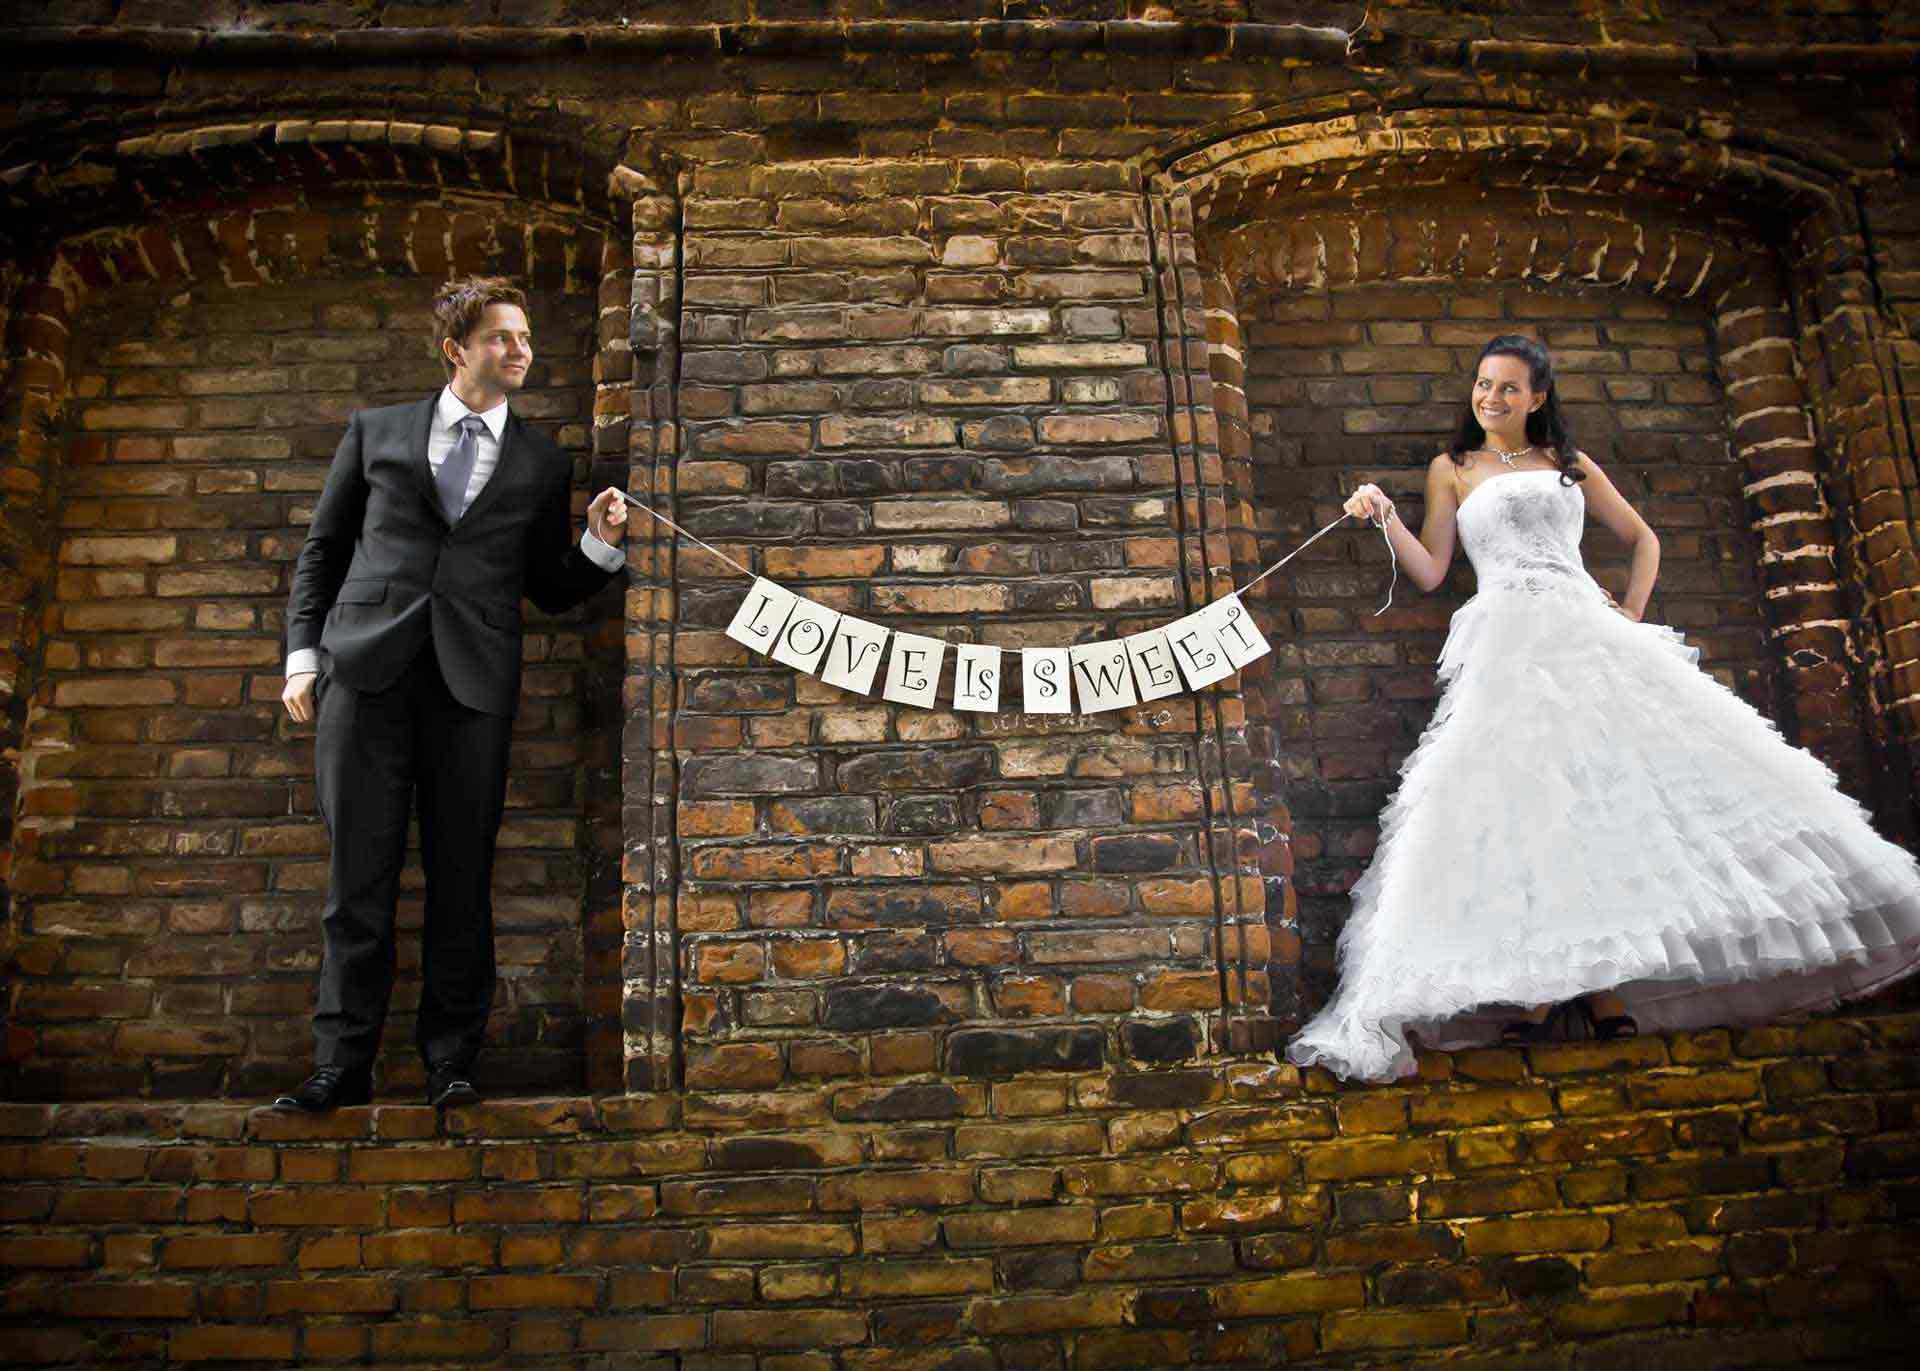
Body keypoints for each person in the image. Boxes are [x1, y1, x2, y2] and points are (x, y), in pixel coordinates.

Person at [1284, 334, 1920, 1082]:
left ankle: (1607, 982)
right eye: (1483, 384)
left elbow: (1643, 539)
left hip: (1589, 636)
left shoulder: (1568, 462)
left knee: (1609, 800)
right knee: (1531, 808)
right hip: (1509, 645)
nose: (1491, 397)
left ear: (1537, 397)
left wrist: (1631, 612)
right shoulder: (1452, 468)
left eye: (1509, 387)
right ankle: (1543, 987)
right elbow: (1429, 571)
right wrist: (1383, 513)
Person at [273, 277, 628, 1111]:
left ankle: (451, 1061)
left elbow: (547, 584)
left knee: (462, 878)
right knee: (357, 879)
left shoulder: (542, 461)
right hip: (364, 673)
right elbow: (323, 550)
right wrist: (301, 657)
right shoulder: (376, 432)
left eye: (525, 336)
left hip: (473, 686)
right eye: (502, 336)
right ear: (456, 350)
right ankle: (340, 1064)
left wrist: (599, 545)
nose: (520, 349)